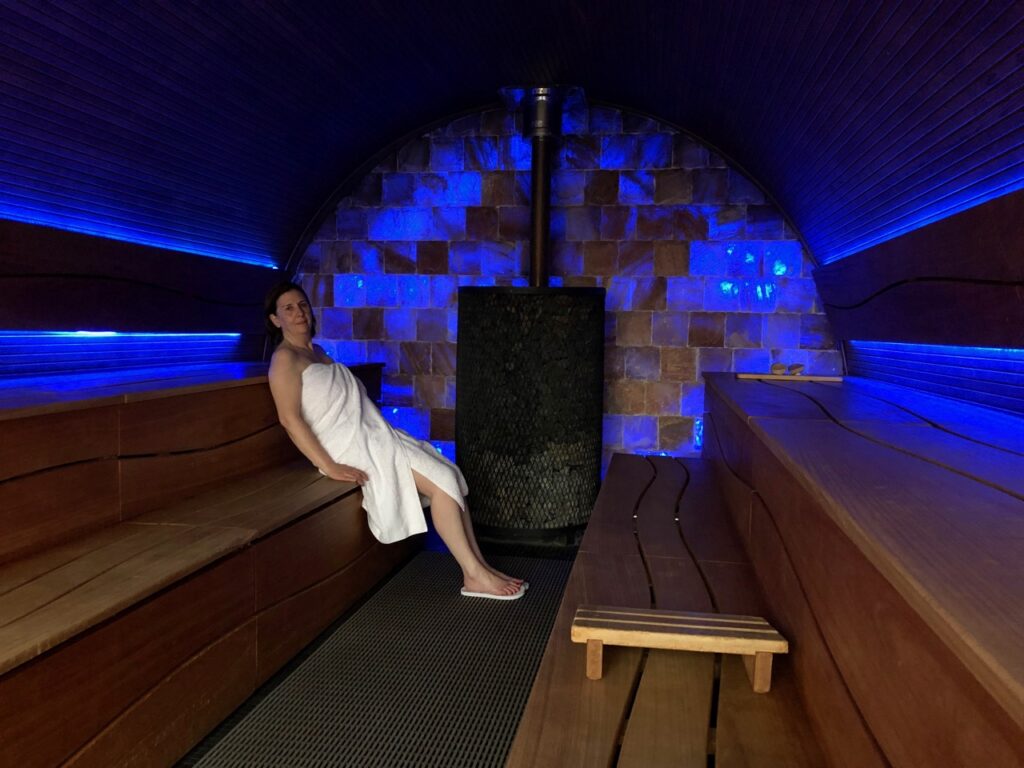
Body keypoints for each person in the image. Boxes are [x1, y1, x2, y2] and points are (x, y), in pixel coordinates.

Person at [264, 281, 526, 600]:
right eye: (288, 308)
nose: (299, 312)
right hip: (346, 447)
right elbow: (289, 419)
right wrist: (329, 465)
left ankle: (481, 567)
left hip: (372, 435)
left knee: (451, 475)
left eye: (302, 304)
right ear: (275, 319)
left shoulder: (317, 352)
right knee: (442, 484)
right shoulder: (284, 360)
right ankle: (473, 576)